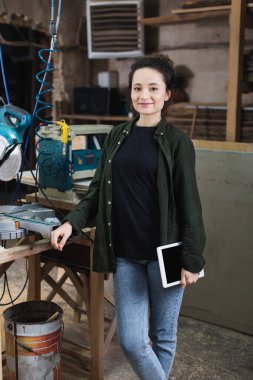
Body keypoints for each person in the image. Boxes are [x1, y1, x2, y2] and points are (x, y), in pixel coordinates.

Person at [51, 52, 206, 380]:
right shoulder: (116, 137)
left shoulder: (178, 143)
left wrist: (192, 259)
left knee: (163, 335)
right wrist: (71, 222)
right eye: (138, 88)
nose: (144, 95)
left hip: (166, 253)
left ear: (167, 94)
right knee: (133, 340)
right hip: (126, 255)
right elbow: (95, 192)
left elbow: (189, 204)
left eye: (153, 88)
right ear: (131, 93)